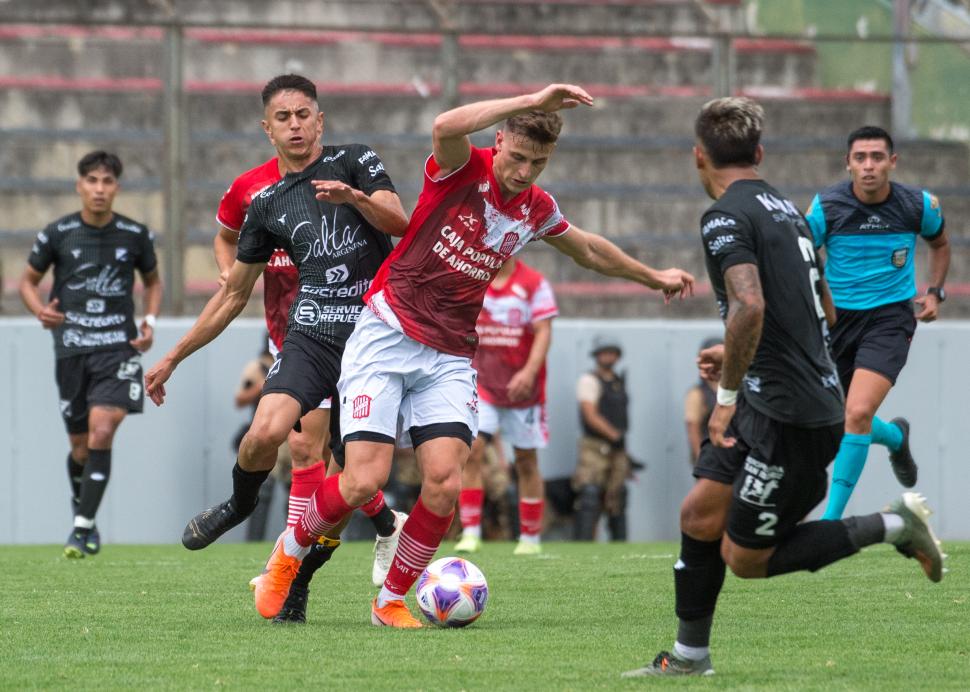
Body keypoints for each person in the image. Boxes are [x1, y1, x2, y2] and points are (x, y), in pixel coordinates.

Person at [258, 83, 696, 629]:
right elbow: (444, 124)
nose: (524, 172)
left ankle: (389, 601)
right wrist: (532, 100)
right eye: (518, 157)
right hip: (386, 334)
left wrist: (653, 276)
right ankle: (287, 556)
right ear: (499, 140)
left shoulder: (536, 209)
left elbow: (586, 248)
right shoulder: (462, 168)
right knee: (363, 481)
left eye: (538, 162)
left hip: (448, 354)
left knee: (444, 484)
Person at [622, 97, 945, 677]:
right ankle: (690, 657)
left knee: (746, 558)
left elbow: (749, 304)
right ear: (760, 153)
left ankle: (895, 524)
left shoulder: (724, 216)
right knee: (699, 515)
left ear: (699, 157)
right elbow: (824, 309)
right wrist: (739, 354)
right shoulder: (788, 210)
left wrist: (724, 396)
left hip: (789, 415)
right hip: (768, 396)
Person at [143, 74, 410, 621]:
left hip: (372, 340)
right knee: (266, 434)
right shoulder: (265, 203)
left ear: (320, 121)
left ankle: (298, 580)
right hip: (309, 334)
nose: (295, 125)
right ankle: (240, 504)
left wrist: (356, 199)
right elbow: (233, 294)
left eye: (303, 114)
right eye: (283, 118)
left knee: (351, 485)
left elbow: (401, 224)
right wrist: (173, 356)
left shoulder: (356, 160)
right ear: (268, 129)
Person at [19, 150, 163, 558]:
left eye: (107, 181)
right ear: (79, 185)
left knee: (103, 430)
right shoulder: (58, 233)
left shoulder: (134, 234)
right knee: (81, 446)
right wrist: (39, 309)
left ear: (117, 187)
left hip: (118, 347)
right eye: (92, 181)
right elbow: (28, 282)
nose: (99, 189)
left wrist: (149, 319)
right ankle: (84, 508)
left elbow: (153, 282)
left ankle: (80, 530)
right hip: (71, 349)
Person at [806, 125, 950, 520]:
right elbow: (801, 253)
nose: (868, 166)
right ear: (848, 164)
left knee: (856, 414)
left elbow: (939, 244)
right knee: (837, 420)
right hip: (836, 321)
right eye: (860, 158)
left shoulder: (918, 205)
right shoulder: (826, 207)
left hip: (889, 320)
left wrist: (935, 292)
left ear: (892, 162)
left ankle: (830, 524)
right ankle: (895, 437)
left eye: (877, 157)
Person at [455, 257, 557, 556]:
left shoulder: (534, 283)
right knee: (472, 450)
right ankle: (470, 532)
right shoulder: (474, 276)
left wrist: (529, 372)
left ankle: (530, 537)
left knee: (525, 460)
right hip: (483, 383)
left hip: (522, 391)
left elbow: (544, 330)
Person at [573, 336, 631, 541]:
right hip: (594, 446)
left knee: (617, 494)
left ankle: (619, 546)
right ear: (597, 356)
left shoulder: (617, 381)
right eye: (604, 352)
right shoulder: (589, 380)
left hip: (617, 448)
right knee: (590, 494)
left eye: (612, 352)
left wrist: (620, 442)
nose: (608, 357)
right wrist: (613, 435)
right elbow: (590, 414)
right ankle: (584, 544)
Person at [684, 337, 722, 466]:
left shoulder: (735, 390)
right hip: (711, 457)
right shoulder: (697, 394)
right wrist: (701, 460)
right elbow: (692, 428)